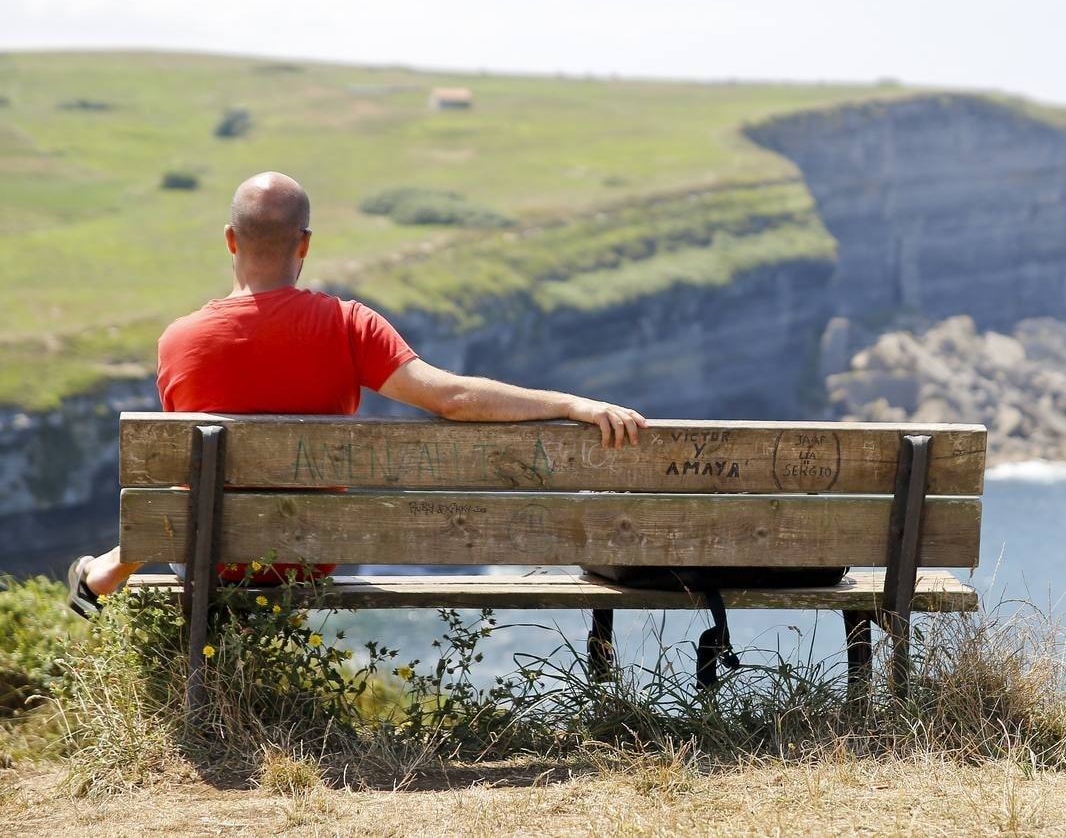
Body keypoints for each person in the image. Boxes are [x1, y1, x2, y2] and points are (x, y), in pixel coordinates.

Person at [67, 171, 646, 615]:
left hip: (210, 555)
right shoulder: (348, 326)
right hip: (307, 552)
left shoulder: (179, 340)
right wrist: (571, 404)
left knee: (190, 488)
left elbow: (189, 473)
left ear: (229, 240)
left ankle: (104, 575)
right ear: (305, 244)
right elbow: (454, 399)